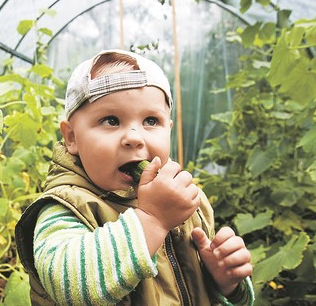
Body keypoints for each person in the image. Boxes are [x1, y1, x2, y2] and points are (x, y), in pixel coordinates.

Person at [15, 49, 254, 305]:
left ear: (169, 130)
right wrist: (152, 220)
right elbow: (69, 287)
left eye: (151, 120)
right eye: (111, 120)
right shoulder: (66, 208)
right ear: (72, 137)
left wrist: (224, 283)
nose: (134, 137)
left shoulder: (185, 201)